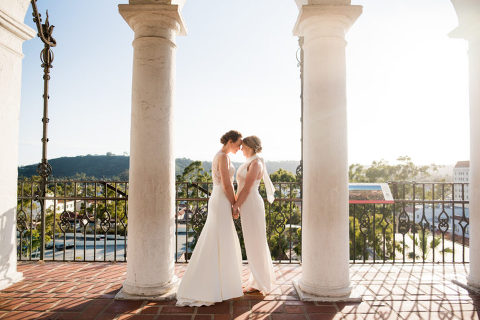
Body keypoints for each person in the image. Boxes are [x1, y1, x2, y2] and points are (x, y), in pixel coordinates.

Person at [176, 130, 243, 306]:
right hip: (221, 200)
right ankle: (210, 286)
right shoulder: (222, 157)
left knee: (219, 240)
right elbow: (227, 184)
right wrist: (235, 204)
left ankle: (219, 284)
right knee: (217, 240)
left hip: (220, 199)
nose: (240, 147)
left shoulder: (222, 155)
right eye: (238, 144)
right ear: (230, 141)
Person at [233, 135, 276, 294]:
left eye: (243, 146)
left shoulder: (256, 163)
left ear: (250, 146)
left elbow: (248, 188)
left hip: (251, 205)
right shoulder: (251, 162)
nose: (241, 149)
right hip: (247, 204)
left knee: (255, 243)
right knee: (252, 243)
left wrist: (236, 205)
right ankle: (257, 280)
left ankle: (260, 282)